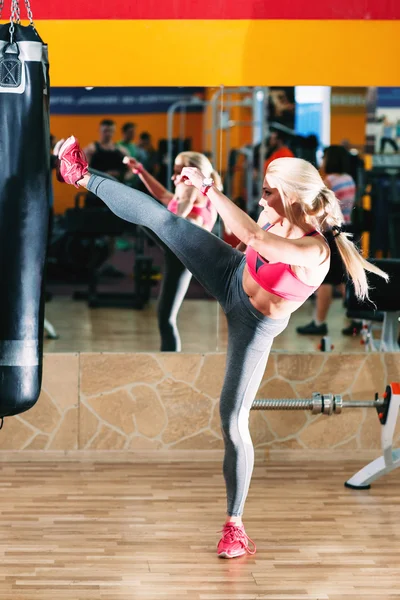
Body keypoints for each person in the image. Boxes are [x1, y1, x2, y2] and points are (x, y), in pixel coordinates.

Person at [57, 136, 388, 559]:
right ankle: (79, 175)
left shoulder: (315, 250)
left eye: (268, 191)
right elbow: (242, 240)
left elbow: (252, 235)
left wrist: (211, 187)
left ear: (290, 196)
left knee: (232, 420)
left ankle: (235, 526)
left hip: (254, 325)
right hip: (231, 273)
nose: (263, 197)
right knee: (168, 222)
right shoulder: (274, 213)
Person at [124, 151, 220, 351]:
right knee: (165, 317)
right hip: (181, 256)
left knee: (166, 318)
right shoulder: (197, 192)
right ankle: (171, 358)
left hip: (183, 253)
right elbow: (162, 194)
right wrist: (140, 171)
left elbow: (176, 217)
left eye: (179, 173)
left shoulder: (191, 190)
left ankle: (91, 178)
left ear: (195, 174)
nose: (173, 177)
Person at [297, 145, 358, 336]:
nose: (322, 161)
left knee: (324, 280)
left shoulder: (329, 182)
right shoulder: (349, 179)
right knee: (342, 279)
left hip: (331, 233)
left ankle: (319, 322)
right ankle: (357, 319)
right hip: (346, 231)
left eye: (324, 157)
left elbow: (316, 207)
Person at [84, 119, 129, 184]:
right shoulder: (91, 150)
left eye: (111, 131)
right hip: (98, 186)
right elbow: (85, 171)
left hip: (117, 185)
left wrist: (125, 177)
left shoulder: (122, 150)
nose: (108, 134)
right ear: (99, 131)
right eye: (105, 131)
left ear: (114, 132)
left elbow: (131, 170)